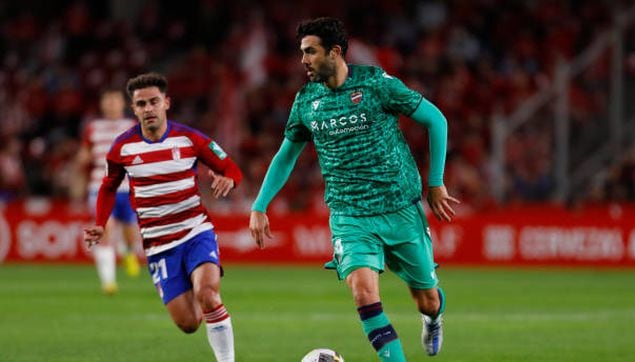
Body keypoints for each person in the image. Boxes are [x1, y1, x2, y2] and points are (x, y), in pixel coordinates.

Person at [249, 17, 459, 361]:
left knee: (427, 298)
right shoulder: (306, 101)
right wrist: (260, 204)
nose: (303, 60)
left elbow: (436, 119)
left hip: (399, 207)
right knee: (363, 293)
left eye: (310, 52)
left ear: (334, 52)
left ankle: (433, 318)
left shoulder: (377, 84)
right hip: (349, 214)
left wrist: (435, 183)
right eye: (302, 52)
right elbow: (286, 155)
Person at [83, 72, 241, 362]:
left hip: (196, 232)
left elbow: (231, 168)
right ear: (134, 109)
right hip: (158, 245)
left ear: (166, 102)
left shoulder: (190, 138)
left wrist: (229, 179)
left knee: (208, 294)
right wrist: (100, 223)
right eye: (141, 104)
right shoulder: (122, 147)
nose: (148, 109)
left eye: (154, 101)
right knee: (189, 323)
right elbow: (108, 186)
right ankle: (197, 299)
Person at [71, 88, 141, 294]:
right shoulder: (93, 128)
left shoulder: (132, 126)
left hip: (127, 188)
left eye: (114, 100)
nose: (111, 104)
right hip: (100, 187)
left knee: (130, 234)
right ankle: (109, 282)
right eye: (107, 100)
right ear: (102, 104)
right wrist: (79, 166)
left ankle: (127, 253)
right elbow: (84, 154)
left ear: (122, 104)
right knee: (105, 230)